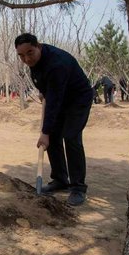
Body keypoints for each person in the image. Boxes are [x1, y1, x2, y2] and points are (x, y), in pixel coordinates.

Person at [15, 33, 93, 206]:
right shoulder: (35, 60)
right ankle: (60, 179)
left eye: (30, 53)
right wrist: (44, 90)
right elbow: (48, 87)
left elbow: (55, 100)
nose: (26, 58)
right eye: (21, 55)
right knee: (53, 137)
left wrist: (44, 132)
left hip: (77, 99)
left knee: (70, 137)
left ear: (39, 46)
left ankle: (78, 188)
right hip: (58, 97)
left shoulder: (57, 63)